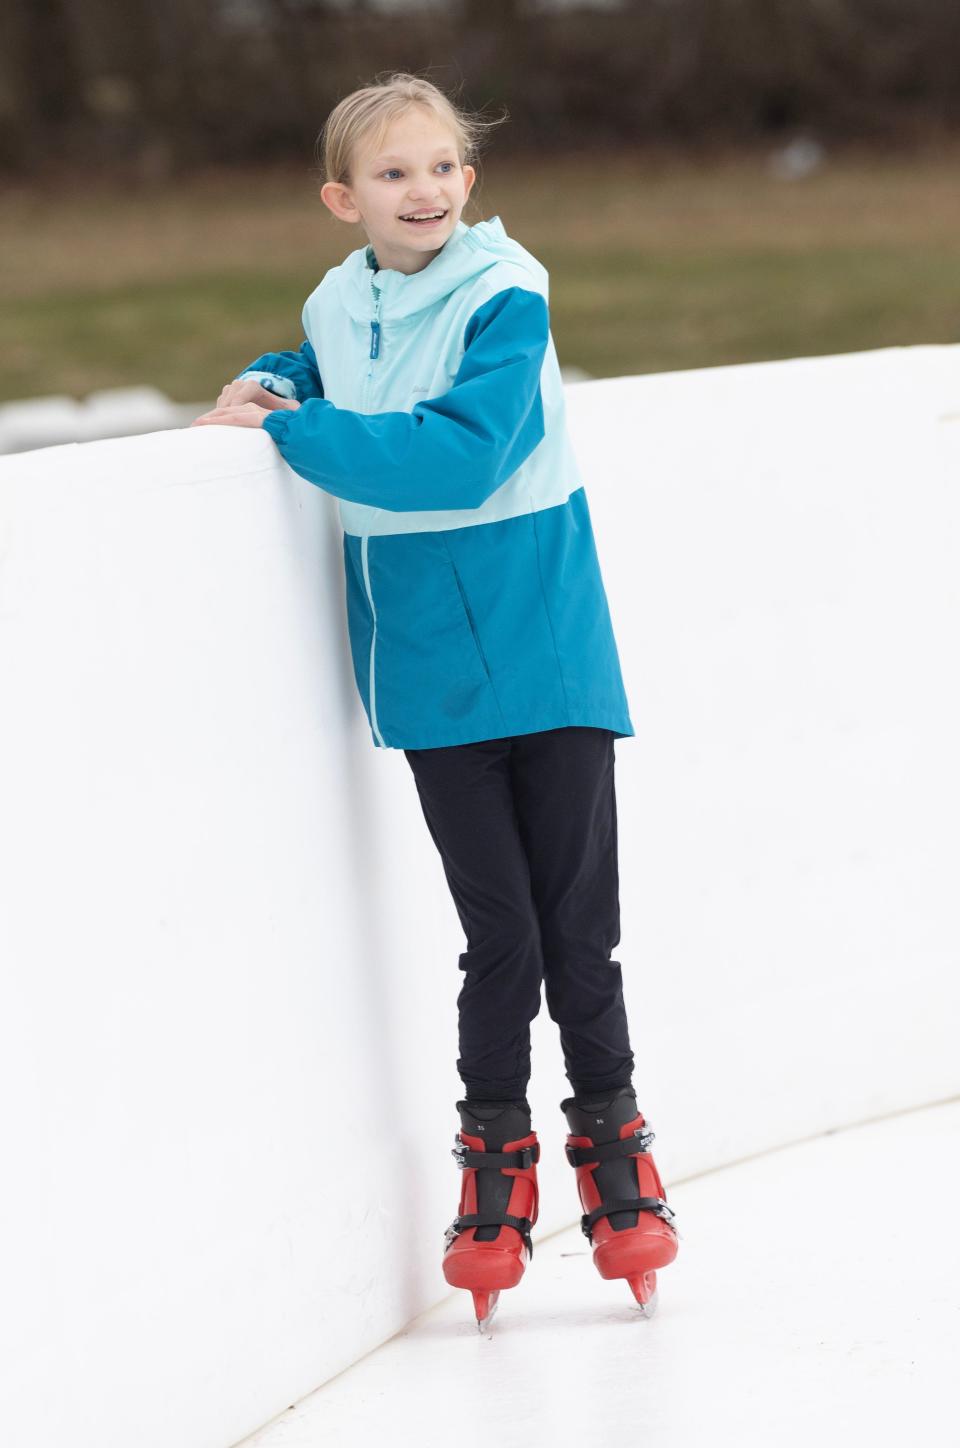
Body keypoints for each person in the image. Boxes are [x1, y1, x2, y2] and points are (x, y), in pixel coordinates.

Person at [191, 71, 678, 1330]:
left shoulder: (507, 296)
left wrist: (293, 435)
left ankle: (615, 1146)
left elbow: (472, 450)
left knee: (576, 920)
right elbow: (320, 362)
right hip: (424, 655)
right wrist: (267, 379)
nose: (426, 191)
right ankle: (494, 1158)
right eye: (395, 174)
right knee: (497, 929)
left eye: (444, 167)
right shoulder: (337, 303)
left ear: (471, 180)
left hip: (544, 636)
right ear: (342, 198)